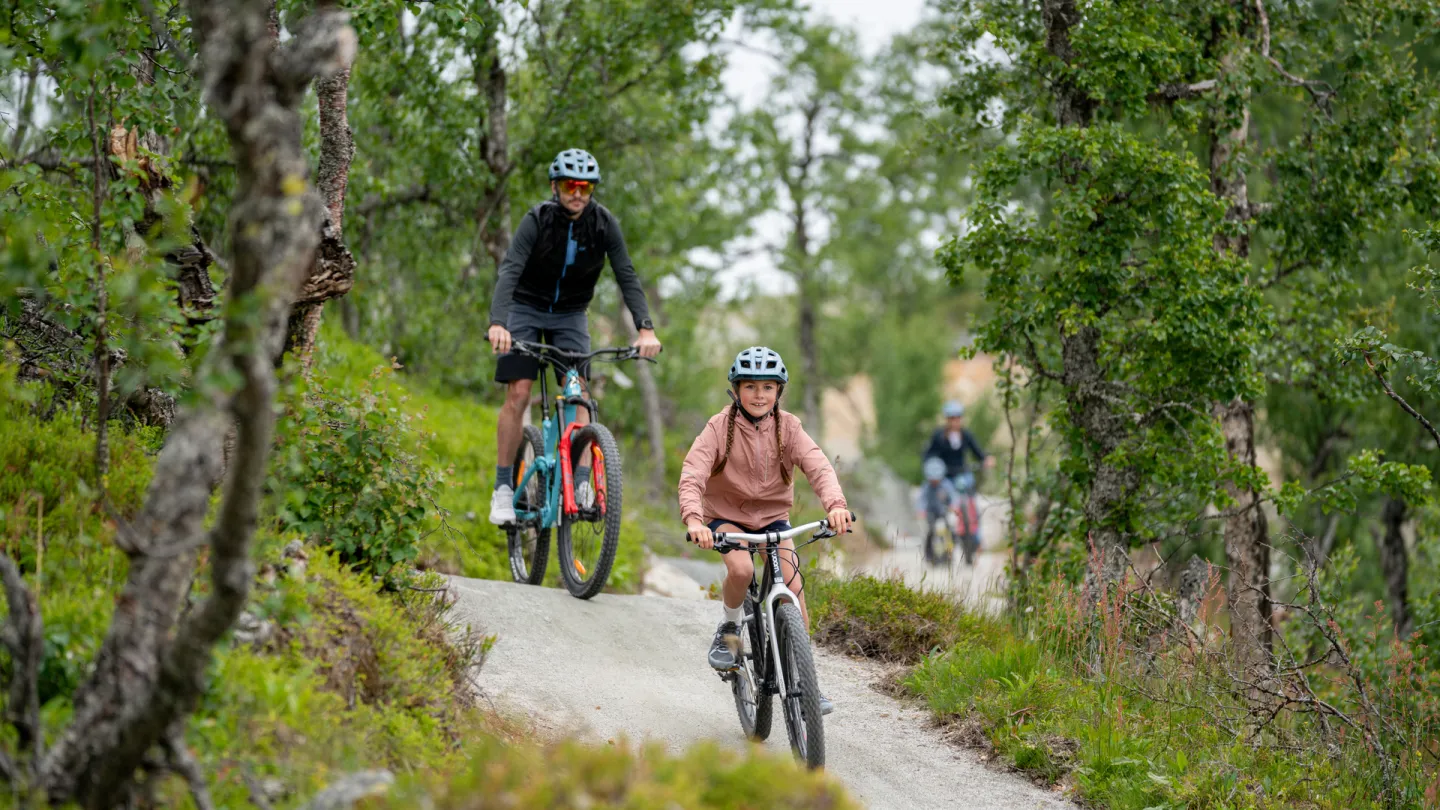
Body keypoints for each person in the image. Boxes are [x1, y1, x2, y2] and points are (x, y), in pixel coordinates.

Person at [488, 148, 662, 525]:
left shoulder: (603, 224)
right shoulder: (537, 220)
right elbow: (511, 269)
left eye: (585, 186)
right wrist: (498, 322)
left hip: (570, 314)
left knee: (578, 393)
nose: (578, 193)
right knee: (518, 391)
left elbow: (626, 275)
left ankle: (581, 481)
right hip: (525, 307)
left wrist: (645, 327)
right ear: (556, 186)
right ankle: (503, 488)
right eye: (570, 185)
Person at [679, 346, 850, 715]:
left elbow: (819, 466)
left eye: (768, 388)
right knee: (741, 570)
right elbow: (693, 473)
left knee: (793, 583)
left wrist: (836, 506)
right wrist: (695, 519)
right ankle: (728, 631)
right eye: (751, 387)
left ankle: (805, 682)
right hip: (726, 516)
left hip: (773, 518)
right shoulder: (719, 427)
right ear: (736, 390)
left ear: (779, 392)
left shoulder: (788, 427)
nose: (760, 396)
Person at [924, 400, 994, 550]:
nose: (955, 421)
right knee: (943, 503)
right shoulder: (938, 436)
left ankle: (976, 540)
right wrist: (933, 467)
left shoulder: (966, 435)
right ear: (947, 420)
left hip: (963, 474)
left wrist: (985, 460)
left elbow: (977, 452)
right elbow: (930, 454)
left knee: (972, 505)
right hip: (945, 476)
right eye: (952, 418)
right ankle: (944, 534)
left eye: (957, 418)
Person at [914, 456, 960, 564]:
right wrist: (921, 510)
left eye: (936, 479)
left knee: (950, 531)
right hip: (931, 513)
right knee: (930, 531)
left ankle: (950, 553)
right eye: (932, 479)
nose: (934, 481)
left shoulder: (946, 485)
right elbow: (922, 500)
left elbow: (953, 497)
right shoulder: (926, 486)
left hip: (944, 512)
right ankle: (929, 554)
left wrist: (954, 506)